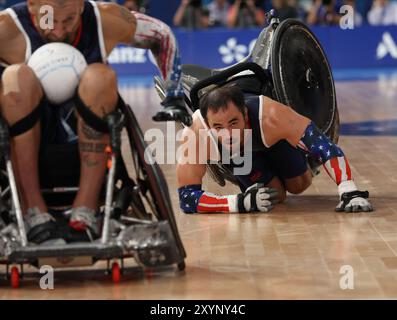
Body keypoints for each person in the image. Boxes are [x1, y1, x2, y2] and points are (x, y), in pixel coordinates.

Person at [0, 0, 192, 244]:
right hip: (26, 130)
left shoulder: (105, 19)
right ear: (32, 6)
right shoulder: (7, 27)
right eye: (49, 21)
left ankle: (86, 210)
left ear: (80, 6)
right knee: (17, 77)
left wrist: (174, 96)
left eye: (68, 20)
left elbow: (162, 36)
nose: (59, 32)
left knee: (100, 76)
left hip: (91, 127)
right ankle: (33, 211)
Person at [177, 84, 373, 214]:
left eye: (233, 122)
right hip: (237, 155)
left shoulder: (271, 115)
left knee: (299, 185)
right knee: (275, 196)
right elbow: (187, 199)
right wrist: (239, 203)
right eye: (218, 127)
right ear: (208, 126)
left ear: (245, 114)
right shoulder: (194, 134)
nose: (228, 134)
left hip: (273, 138)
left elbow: (324, 146)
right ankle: (240, 176)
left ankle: (303, 155)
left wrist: (349, 191)